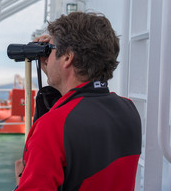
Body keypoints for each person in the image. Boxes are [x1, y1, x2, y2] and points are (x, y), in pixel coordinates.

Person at [15, 12, 142, 190]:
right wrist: (52, 66)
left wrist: (21, 181)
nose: (46, 57)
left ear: (67, 57)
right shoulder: (128, 109)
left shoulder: (52, 127)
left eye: (49, 50)